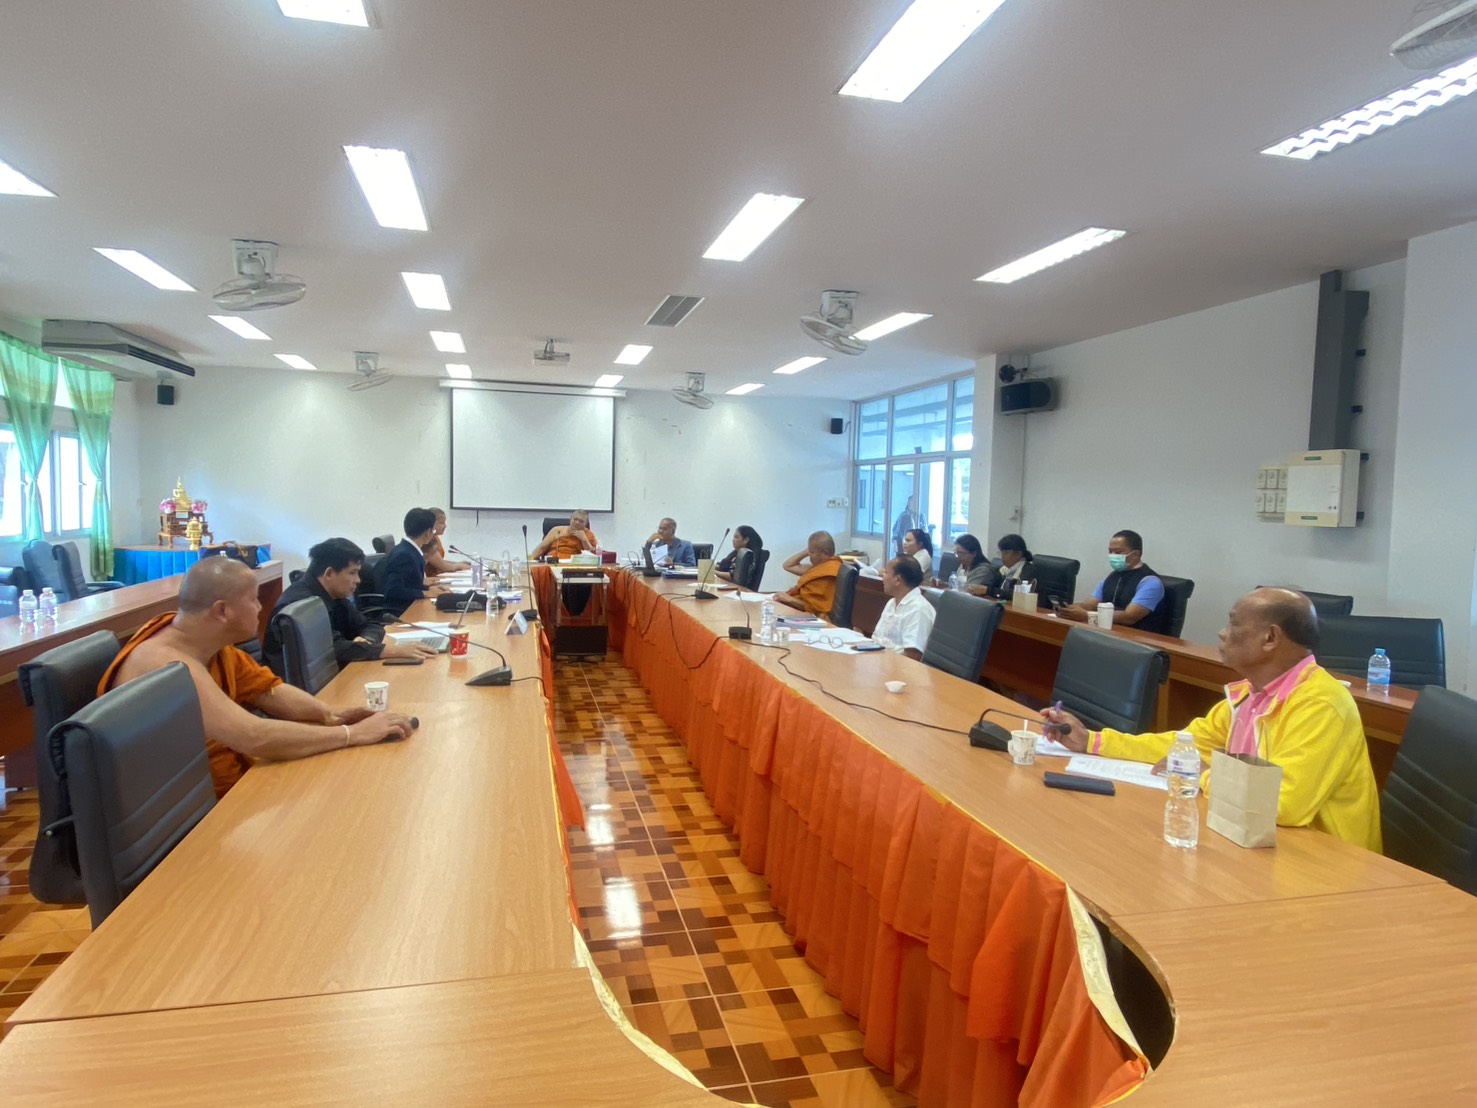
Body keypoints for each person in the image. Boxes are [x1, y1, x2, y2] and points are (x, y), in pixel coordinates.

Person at [1043, 588, 1381, 850]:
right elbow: (1181, 746)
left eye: (1233, 624)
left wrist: (1202, 774)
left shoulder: (1321, 704)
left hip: (1325, 862)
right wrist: (1093, 741)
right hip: (1256, 841)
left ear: (1270, 638)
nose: (1222, 633)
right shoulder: (1249, 695)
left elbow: (1282, 804)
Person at [98, 557, 415, 799]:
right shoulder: (167, 664)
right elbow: (252, 736)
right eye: (253, 599)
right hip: (196, 812)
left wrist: (330, 714)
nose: (262, 607)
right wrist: (351, 734)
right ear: (222, 611)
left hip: (231, 785)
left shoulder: (207, 644)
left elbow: (270, 691)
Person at [262, 538, 437, 675]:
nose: (358, 580)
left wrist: (366, 641)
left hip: (335, 676)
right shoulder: (301, 605)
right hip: (302, 694)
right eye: (352, 573)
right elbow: (329, 649)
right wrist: (389, 650)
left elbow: (370, 625)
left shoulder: (334, 595)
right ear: (329, 573)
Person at [1060, 529, 1168, 633]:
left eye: (1118, 552)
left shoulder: (1150, 582)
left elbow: (1129, 617)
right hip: (1108, 634)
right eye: (1110, 551)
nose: (1112, 555)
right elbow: (1090, 605)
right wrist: (1071, 609)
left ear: (1135, 555)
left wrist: (1086, 615)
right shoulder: (1112, 577)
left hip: (1137, 639)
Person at [383, 507, 448, 616]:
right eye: (433, 531)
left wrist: (430, 589)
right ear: (427, 533)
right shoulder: (404, 555)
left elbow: (411, 585)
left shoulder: (410, 550)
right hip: (401, 612)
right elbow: (394, 590)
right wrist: (425, 593)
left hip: (412, 606)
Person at [871, 556, 936, 659]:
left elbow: (913, 655)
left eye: (886, 572)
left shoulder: (918, 609)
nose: (882, 576)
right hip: (880, 659)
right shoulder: (891, 603)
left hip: (897, 665)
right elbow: (877, 638)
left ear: (897, 579)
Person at [773, 531, 843, 614]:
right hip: (801, 610)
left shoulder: (830, 571)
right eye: (808, 551)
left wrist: (790, 599)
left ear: (825, 553)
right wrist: (810, 550)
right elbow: (787, 565)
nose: (809, 555)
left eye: (812, 552)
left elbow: (817, 609)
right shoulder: (817, 568)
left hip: (814, 617)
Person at [531, 510, 597, 560]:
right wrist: (531, 560)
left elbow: (591, 557)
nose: (577, 522)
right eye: (575, 519)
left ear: (586, 523)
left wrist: (584, 539)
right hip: (554, 561)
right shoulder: (557, 530)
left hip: (574, 564)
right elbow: (542, 548)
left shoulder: (588, 534)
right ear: (570, 519)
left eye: (581, 521)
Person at [423, 508, 471, 576]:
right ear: (433, 524)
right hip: (430, 579)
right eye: (442, 523)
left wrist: (458, 563)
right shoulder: (427, 541)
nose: (445, 526)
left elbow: (440, 561)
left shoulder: (436, 538)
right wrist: (460, 566)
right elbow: (444, 567)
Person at [716, 525, 765, 589]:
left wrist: (713, 572)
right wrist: (708, 566)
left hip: (738, 590)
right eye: (733, 537)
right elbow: (724, 564)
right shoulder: (736, 552)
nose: (733, 540)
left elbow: (733, 576)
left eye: (736, 537)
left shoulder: (749, 556)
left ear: (746, 540)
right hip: (726, 586)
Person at [993, 533, 1037, 597]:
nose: (1002, 557)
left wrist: (988, 590)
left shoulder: (1028, 570)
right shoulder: (1004, 569)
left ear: (1018, 554)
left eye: (1006, 553)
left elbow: (1016, 594)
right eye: (1001, 553)